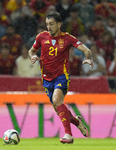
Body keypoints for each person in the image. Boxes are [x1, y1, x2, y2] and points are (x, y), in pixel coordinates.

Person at [28, 12, 94, 144]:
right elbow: (31, 51)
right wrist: (32, 57)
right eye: (47, 24)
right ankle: (77, 122)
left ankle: (68, 135)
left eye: (51, 24)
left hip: (61, 76)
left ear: (59, 24)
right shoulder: (41, 37)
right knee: (59, 109)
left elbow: (87, 50)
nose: (49, 27)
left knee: (57, 99)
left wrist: (87, 59)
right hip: (46, 79)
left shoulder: (67, 38)